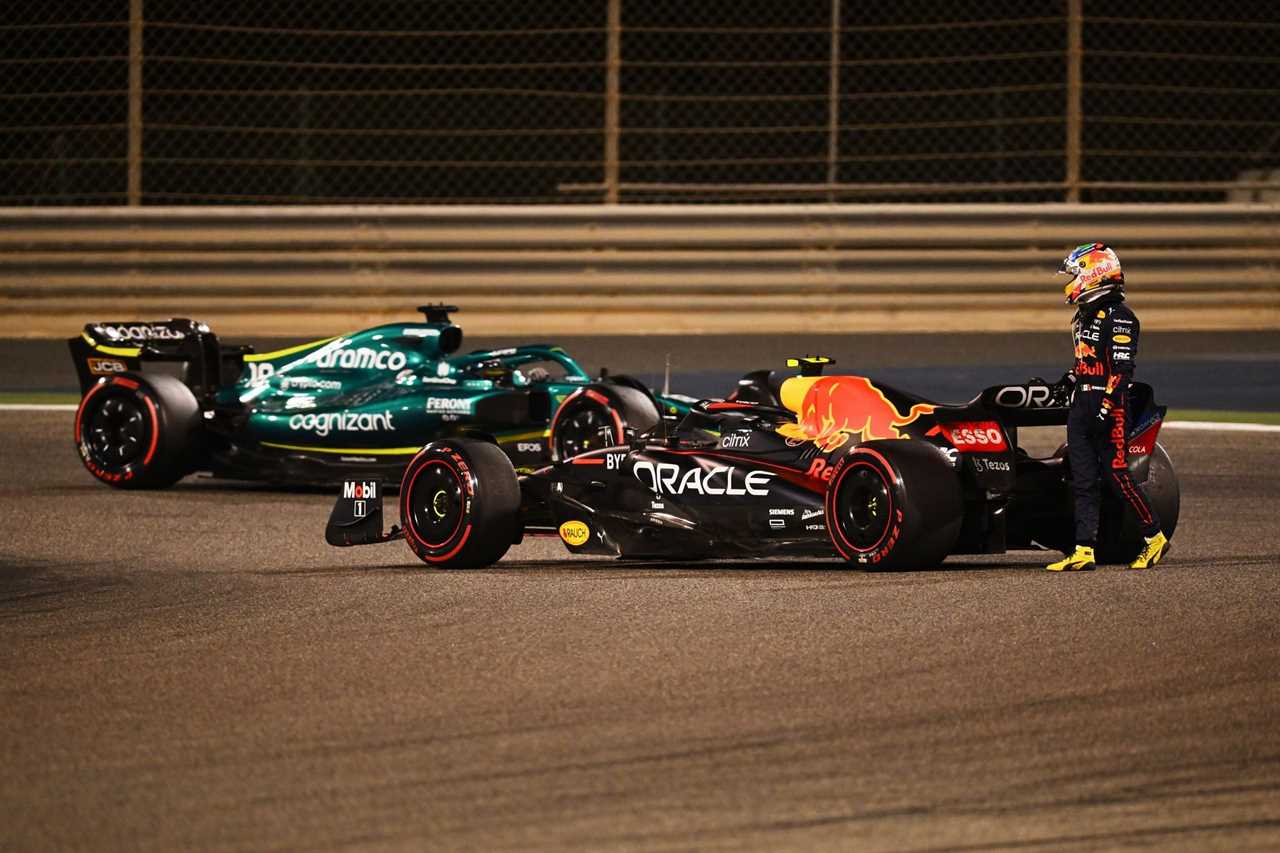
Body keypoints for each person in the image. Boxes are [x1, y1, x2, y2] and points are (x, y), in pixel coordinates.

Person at [1046, 242, 1170, 571]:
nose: (1070, 281)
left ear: (1094, 274)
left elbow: (1122, 371)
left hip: (1109, 406)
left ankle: (1154, 536)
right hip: (1082, 406)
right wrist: (1070, 381)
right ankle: (1084, 549)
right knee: (1082, 479)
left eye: (1075, 274)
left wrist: (1105, 408)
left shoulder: (1121, 317)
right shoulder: (1083, 316)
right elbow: (1087, 362)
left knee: (1117, 476)